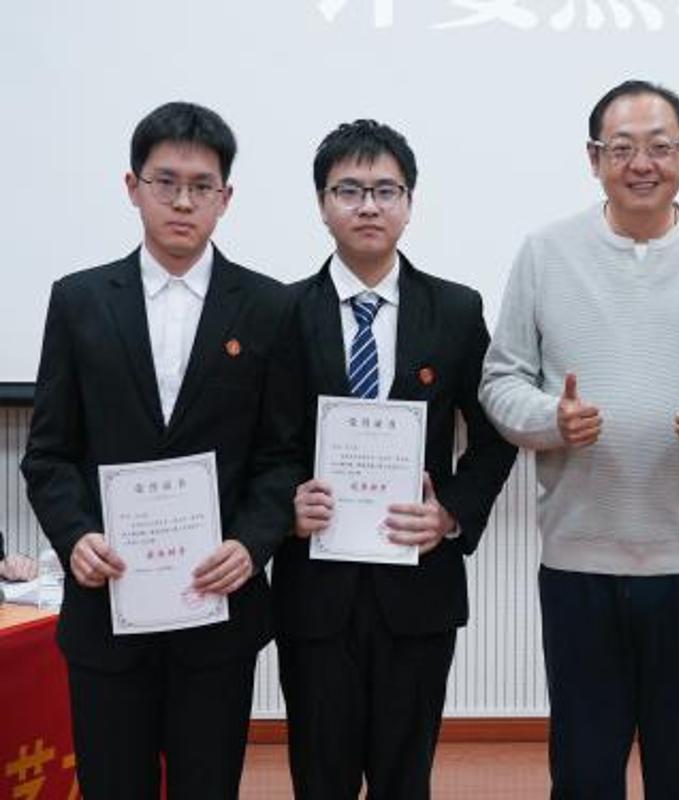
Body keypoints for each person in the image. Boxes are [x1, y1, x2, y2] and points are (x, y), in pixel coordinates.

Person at [480, 80, 679, 798]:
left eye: (660, 147)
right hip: (579, 567)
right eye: (621, 149)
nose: (642, 164)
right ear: (594, 159)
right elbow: (501, 380)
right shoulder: (545, 253)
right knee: (584, 775)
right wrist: (550, 419)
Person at [20, 102, 303, 799]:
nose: (182, 202)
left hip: (216, 609)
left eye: (201, 186)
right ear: (132, 187)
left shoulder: (268, 307)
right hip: (107, 605)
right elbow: (49, 454)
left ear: (225, 197)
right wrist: (76, 536)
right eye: (165, 182)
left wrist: (251, 544)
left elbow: (282, 457)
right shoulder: (79, 301)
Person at [272, 119, 517, 800]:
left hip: (418, 590)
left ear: (410, 202)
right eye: (349, 190)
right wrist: (284, 505)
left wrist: (452, 515)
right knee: (319, 777)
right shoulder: (280, 312)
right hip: (314, 588)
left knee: (405, 779)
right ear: (322, 204)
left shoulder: (456, 310)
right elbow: (262, 443)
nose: (369, 206)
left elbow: (495, 437)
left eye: (386, 190)